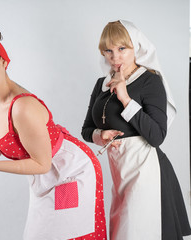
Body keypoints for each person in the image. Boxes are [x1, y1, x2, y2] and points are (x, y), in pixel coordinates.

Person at [0, 25, 109, 240]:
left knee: (67, 234)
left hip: (70, 170)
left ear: (3, 62)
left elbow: (42, 163)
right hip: (41, 175)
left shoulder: (23, 107)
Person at [81, 20, 191, 240]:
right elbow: (86, 130)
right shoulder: (101, 84)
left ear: (136, 47)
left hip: (146, 171)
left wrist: (124, 98)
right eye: (108, 50)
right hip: (119, 172)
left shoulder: (150, 81)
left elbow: (156, 136)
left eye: (122, 49)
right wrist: (100, 135)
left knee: (138, 232)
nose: (115, 57)